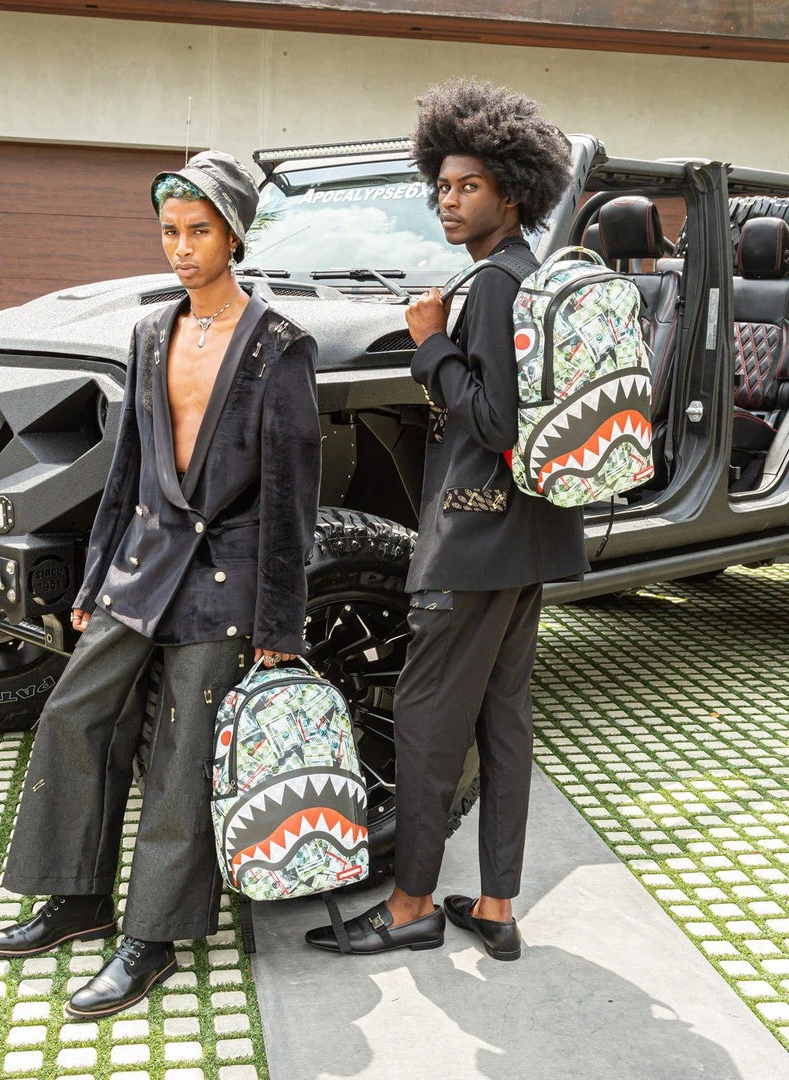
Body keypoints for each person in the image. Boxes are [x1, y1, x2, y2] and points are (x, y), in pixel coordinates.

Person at [0, 151, 322, 1017]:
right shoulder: (148, 332)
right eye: (169, 231)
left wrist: (280, 624)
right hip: (139, 564)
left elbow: (293, 497)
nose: (180, 248)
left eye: (198, 231)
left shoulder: (280, 346)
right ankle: (77, 898)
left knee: (180, 758)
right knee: (73, 716)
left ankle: (152, 939)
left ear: (234, 236)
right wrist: (94, 576)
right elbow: (127, 469)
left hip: (224, 578)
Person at [306, 79, 588, 957]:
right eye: (442, 186)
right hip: (527, 537)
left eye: (469, 186)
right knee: (504, 724)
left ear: (514, 193)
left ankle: (411, 906)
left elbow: (496, 423)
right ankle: (496, 907)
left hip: (472, 540)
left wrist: (430, 341)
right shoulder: (526, 275)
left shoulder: (495, 287)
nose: (450, 200)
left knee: (427, 724)